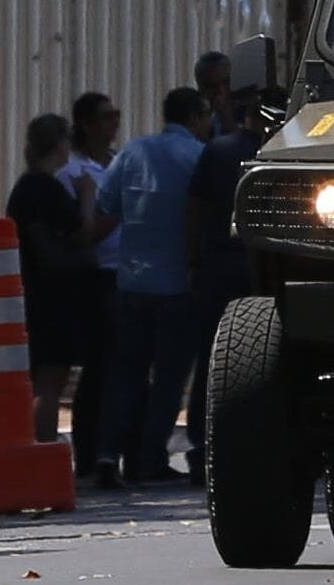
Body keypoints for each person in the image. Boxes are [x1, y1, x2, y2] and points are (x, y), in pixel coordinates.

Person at [94, 81, 213, 485]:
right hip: (178, 286)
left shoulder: (133, 152)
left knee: (125, 375)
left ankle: (107, 457)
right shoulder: (199, 156)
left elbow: (106, 205)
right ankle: (149, 459)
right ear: (196, 117)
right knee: (169, 380)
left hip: (132, 282)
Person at [176, 73, 270, 474]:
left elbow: (194, 210)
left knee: (212, 357)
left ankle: (203, 444)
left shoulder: (216, 151)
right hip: (260, 267)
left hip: (218, 265)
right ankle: (250, 442)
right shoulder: (274, 153)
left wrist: (193, 261)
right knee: (260, 356)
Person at [7, 112, 100, 446]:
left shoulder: (25, 188)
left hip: (34, 290)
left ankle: (36, 440)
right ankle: (43, 443)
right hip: (54, 294)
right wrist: (87, 193)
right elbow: (84, 232)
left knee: (41, 376)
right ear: (60, 145)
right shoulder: (47, 188)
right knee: (51, 379)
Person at [61, 91, 126, 483]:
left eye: (115, 115)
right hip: (98, 275)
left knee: (122, 367)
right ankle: (88, 451)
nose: (113, 123)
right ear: (86, 124)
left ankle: (112, 449)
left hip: (127, 270)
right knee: (100, 367)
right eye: (105, 117)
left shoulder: (118, 164)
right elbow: (82, 232)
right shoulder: (74, 173)